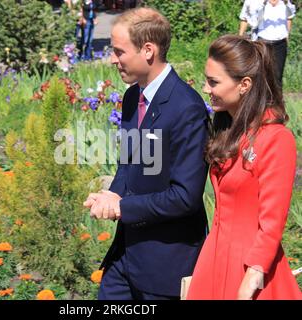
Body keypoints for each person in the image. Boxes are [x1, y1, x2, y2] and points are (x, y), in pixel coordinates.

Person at [83, 7, 209, 300]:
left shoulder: (186, 109)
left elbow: (184, 197)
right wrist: (113, 195)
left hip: (164, 262)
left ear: (148, 50)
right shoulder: (132, 97)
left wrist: (122, 208)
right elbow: (129, 164)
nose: (112, 59)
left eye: (119, 51)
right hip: (125, 257)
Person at [187, 35, 302, 300]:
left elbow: (272, 221)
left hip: (249, 265)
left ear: (244, 85)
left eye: (214, 82)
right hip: (215, 254)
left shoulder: (275, 138)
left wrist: (254, 273)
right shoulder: (226, 128)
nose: (206, 88)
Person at [238, 0, 296, 87]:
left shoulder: (284, 2)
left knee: (277, 75)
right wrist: (240, 37)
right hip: (262, 42)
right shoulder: (254, 2)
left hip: (280, 43)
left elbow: (290, 17)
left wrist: (287, 35)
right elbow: (245, 18)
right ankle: (261, 98)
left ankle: (277, 99)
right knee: (261, 74)